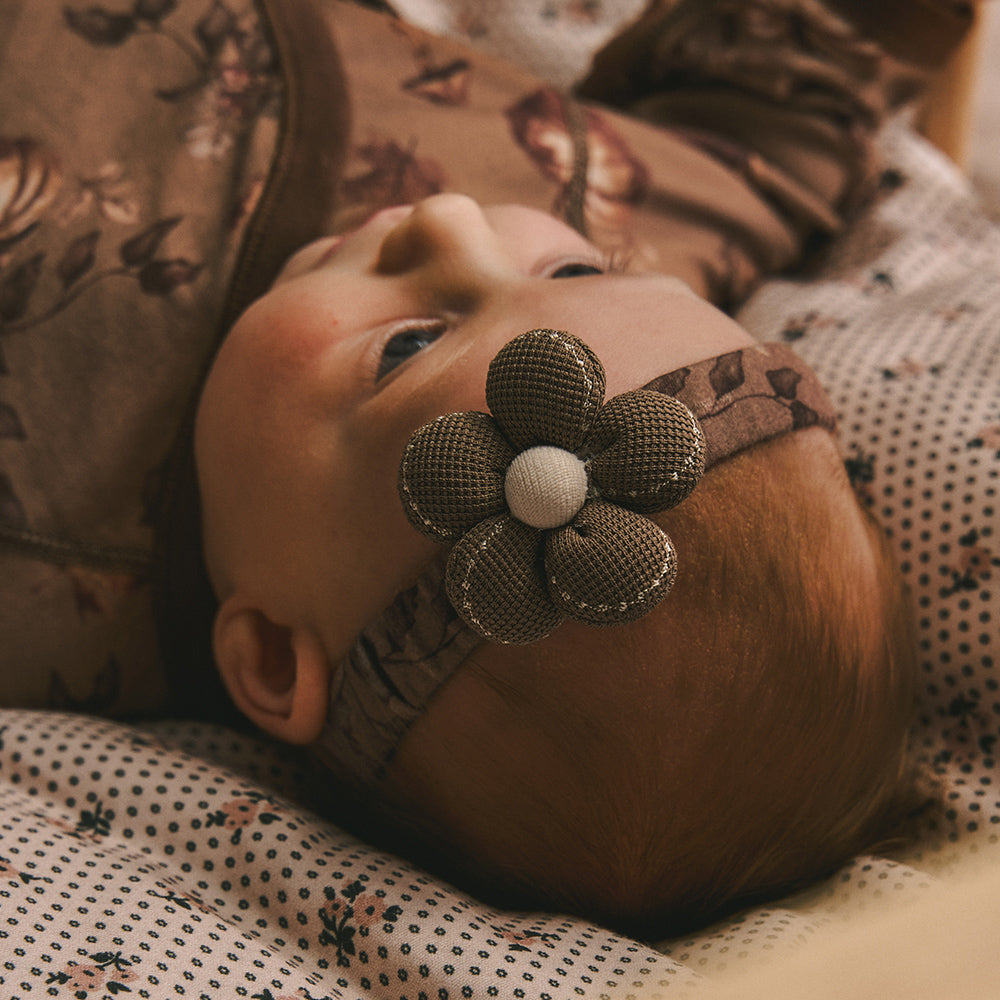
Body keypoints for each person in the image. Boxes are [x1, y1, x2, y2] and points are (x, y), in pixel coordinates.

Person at [186, 0, 980, 934]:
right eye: (575, 273)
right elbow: (764, 131)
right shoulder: (675, 214)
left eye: (406, 349)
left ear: (276, 657)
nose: (448, 219)